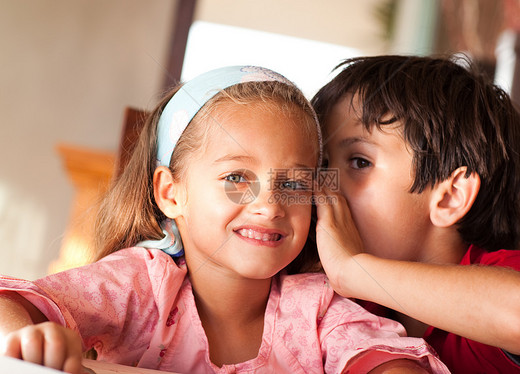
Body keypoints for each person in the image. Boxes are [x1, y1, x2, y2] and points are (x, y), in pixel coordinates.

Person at [0, 66, 449, 374]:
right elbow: (10, 306)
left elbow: (385, 360)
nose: (269, 204)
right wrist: (31, 341)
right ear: (170, 192)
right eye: (237, 176)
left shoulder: (316, 307)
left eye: (294, 184)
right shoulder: (140, 284)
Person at [311, 55, 520, 373]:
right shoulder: (351, 307)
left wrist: (351, 272)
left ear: (450, 198)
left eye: (359, 161)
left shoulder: (509, 274)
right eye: (322, 163)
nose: (324, 184)